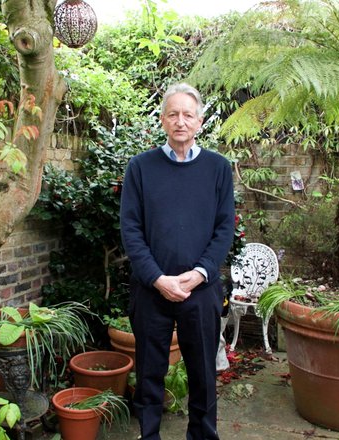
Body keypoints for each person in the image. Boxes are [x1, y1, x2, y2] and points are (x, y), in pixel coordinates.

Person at [120, 83, 235, 440]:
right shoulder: (140, 168)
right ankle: (149, 435)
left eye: (188, 114)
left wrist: (198, 275)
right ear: (162, 120)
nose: (180, 121)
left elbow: (225, 227)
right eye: (173, 114)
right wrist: (157, 278)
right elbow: (131, 229)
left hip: (200, 292)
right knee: (149, 376)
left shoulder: (218, 168)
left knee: (203, 376)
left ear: (199, 122)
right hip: (151, 291)